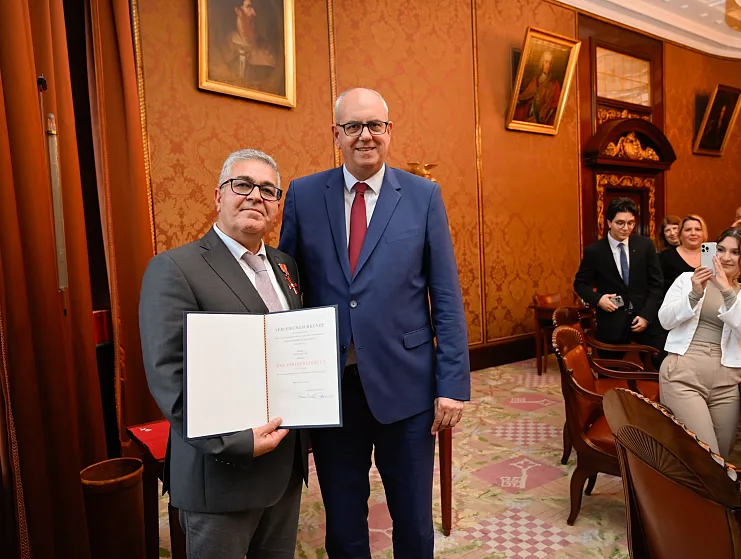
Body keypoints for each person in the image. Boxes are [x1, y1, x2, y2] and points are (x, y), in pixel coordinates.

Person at [278, 87, 470, 559]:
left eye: (375, 126)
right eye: (352, 127)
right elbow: (289, 290)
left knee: (412, 519)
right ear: (336, 135)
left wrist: (453, 383)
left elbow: (445, 295)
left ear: (389, 131)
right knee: (342, 520)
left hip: (407, 389)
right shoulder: (304, 194)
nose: (365, 136)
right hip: (331, 390)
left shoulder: (424, 196)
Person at [139, 149, 309, 558]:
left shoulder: (287, 267)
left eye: (268, 190)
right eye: (243, 185)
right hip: (219, 474)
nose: (255, 196)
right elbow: (169, 376)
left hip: (284, 468)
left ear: (277, 205)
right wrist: (232, 442)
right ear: (219, 196)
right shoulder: (174, 268)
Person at [658, 227, 741, 458]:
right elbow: (665, 320)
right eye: (721, 250)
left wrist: (726, 289)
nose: (726, 257)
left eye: (736, 252)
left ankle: (708, 493)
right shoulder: (687, 280)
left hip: (726, 382)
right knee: (706, 456)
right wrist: (695, 294)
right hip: (682, 373)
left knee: (722, 454)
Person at [573, 197, 667, 368]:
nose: (626, 228)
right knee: (608, 373)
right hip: (612, 320)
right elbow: (580, 284)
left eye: (630, 223)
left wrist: (646, 316)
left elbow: (656, 285)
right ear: (609, 222)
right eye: (620, 223)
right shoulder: (595, 251)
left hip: (646, 317)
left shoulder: (645, 245)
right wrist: (598, 299)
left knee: (663, 367)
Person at [513, 50, 562, 124]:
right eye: (546, 62)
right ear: (542, 62)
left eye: (550, 62)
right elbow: (527, 93)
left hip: (542, 117)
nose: (548, 65)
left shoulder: (554, 83)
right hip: (529, 111)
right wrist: (518, 99)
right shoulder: (536, 79)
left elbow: (555, 103)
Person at [659, 214, 706, 292]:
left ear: (704, 233)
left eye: (698, 229)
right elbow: (657, 286)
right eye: (688, 230)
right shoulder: (665, 256)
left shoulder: (715, 254)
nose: (693, 233)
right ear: (680, 234)